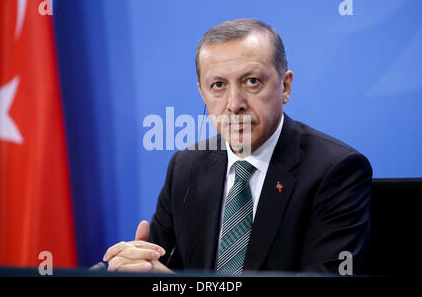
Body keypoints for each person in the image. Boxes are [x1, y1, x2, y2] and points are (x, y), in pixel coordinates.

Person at [103, 18, 372, 275]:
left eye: (251, 81)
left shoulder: (336, 170)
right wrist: (139, 264)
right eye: (218, 85)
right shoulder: (185, 167)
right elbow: (164, 267)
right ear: (202, 93)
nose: (234, 103)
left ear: (285, 86)